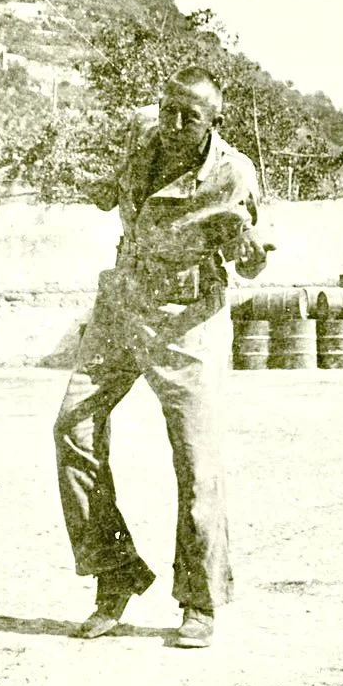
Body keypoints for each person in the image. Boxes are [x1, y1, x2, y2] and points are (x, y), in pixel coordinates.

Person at [53, 66, 275, 648]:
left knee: (196, 461)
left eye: (190, 117)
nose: (174, 125)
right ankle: (115, 572)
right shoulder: (143, 140)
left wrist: (247, 249)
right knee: (72, 426)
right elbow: (112, 194)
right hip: (122, 305)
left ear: (214, 122)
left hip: (187, 318)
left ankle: (200, 600)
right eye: (168, 110)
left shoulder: (233, 172)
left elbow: (253, 258)